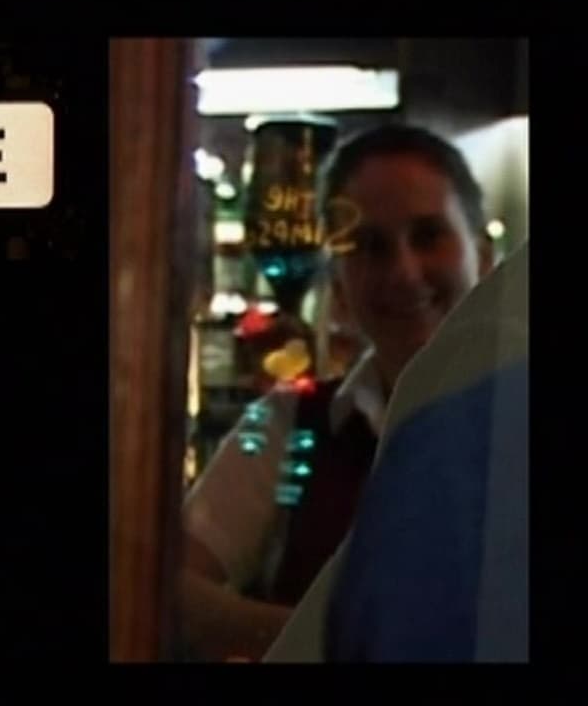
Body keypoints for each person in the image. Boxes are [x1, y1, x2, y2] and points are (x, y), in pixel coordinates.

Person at [181, 124, 495, 661]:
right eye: (371, 246)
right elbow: (167, 586)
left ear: (484, 260)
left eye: (427, 236)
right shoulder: (287, 420)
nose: (404, 272)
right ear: (340, 285)